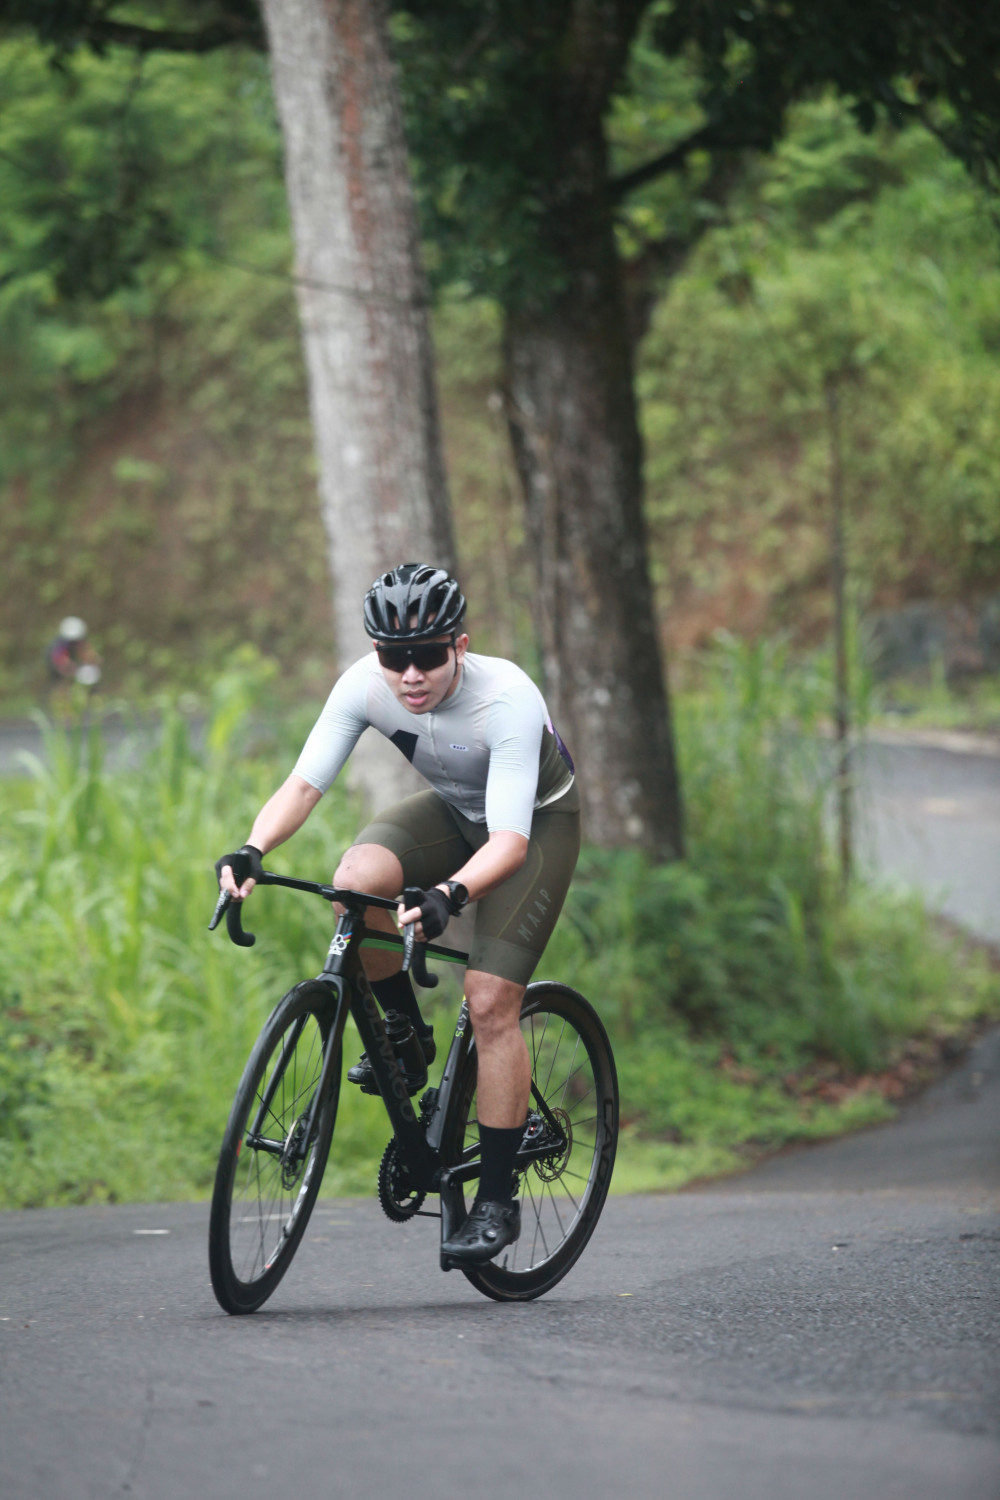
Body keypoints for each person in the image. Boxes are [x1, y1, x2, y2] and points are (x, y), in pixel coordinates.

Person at [215, 563, 580, 1265]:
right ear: (376, 652)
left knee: (490, 1000)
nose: (410, 676)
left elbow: (508, 843)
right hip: (456, 811)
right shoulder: (363, 684)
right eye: (394, 657)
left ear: (460, 646)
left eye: (429, 656)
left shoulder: (507, 697)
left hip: (534, 826)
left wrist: (449, 894)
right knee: (354, 882)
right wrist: (254, 848)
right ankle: (405, 1036)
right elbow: (303, 784)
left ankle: (496, 1200)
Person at [46, 617, 101, 690]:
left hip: (73, 663)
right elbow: (60, 659)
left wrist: (92, 661)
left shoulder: (80, 639)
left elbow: (86, 651)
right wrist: (70, 668)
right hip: (58, 665)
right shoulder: (60, 644)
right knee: (58, 681)